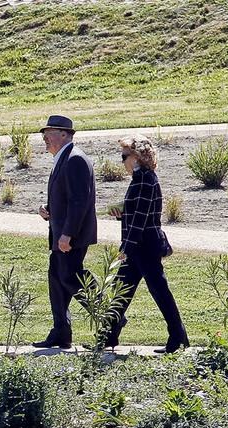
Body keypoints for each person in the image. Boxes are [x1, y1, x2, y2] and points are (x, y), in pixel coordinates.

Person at [106, 137, 189, 353]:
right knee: (121, 290)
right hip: (140, 244)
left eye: (124, 156)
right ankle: (107, 336)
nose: (122, 160)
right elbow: (138, 213)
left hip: (143, 246)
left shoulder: (142, 178)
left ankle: (178, 338)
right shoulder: (143, 177)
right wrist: (122, 213)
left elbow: (141, 219)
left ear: (137, 157)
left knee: (158, 291)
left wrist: (126, 248)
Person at [35, 115, 97, 349]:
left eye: (48, 134)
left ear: (64, 134)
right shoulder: (65, 159)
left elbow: (79, 201)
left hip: (71, 236)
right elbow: (67, 198)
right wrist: (49, 210)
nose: (45, 139)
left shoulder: (75, 159)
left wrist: (67, 234)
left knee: (71, 277)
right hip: (61, 232)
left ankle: (111, 316)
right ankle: (61, 331)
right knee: (57, 277)